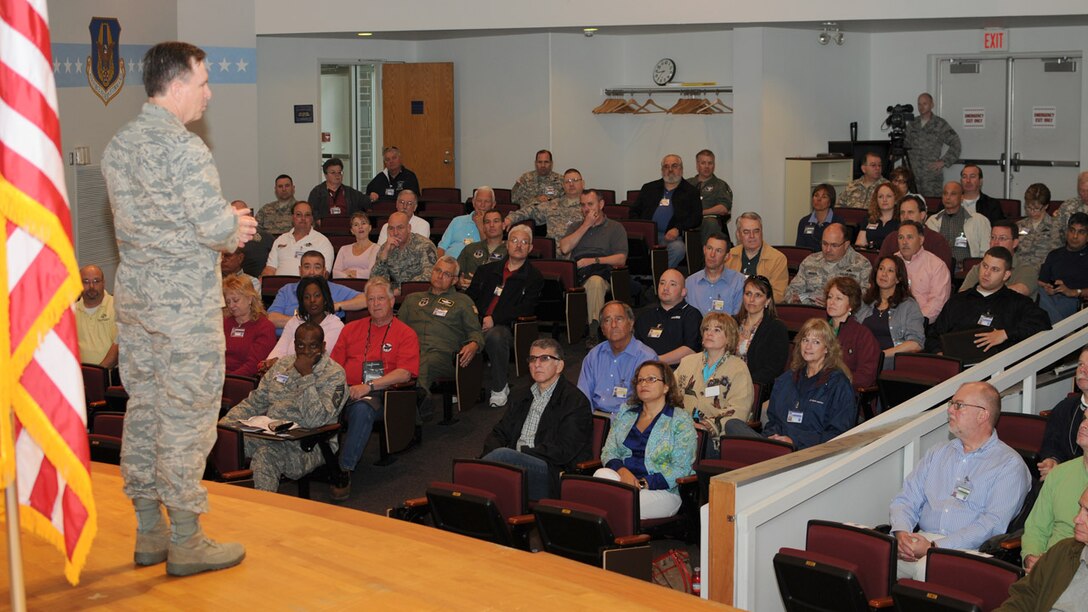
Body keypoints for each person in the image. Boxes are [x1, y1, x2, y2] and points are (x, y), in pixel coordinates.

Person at [101, 41, 256, 575]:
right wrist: (238, 223)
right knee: (187, 417)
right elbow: (214, 227)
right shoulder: (185, 149)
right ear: (177, 84)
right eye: (204, 81)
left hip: (139, 301)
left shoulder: (119, 145)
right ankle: (187, 540)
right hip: (184, 308)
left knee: (143, 411)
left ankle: (149, 532)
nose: (209, 92)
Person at [888, 381, 1031, 580]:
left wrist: (935, 548)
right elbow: (906, 499)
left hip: (971, 549)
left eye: (959, 405)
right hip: (922, 539)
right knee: (876, 556)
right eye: (951, 404)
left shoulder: (1008, 464)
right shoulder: (937, 452)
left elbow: (993, 524)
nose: (950, 411)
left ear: (983, 415)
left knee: (927, 568)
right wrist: (902, 535)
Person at [220, 322, 347, 492]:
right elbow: (255, 402)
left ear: (323, 347)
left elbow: (315, 420)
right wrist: (224, 426)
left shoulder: (334, 374)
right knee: (219, 441)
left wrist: (306, 376)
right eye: (301, 345)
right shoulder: (281, 366)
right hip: (270, 435)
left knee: (266, 457)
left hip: (309, 444)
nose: (306, 352)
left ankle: (262, 512)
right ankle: (226, 502)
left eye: (313, 346)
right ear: (294, 345)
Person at [328, 277, 419, 500]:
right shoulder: (350, 329)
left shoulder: (405, 333)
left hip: (383, 394)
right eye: (371, 299)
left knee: (362, 409)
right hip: (347, 389)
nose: (376, 304)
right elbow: (333, 366)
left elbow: (405, 373)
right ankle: (313, 461)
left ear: (391, 300)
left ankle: (344, 470)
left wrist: (368, 386)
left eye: (381, 299)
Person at [482, 338, 593, 501]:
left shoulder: (575, 401)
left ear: (559, 366)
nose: (537, 364)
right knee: (489, 464)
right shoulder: (521, 395)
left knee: (499, 460)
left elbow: (563, 450)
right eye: (533, 359)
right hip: (514, 462)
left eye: (545, 358)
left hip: (550, 470)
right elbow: (500, 431)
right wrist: (492, 452)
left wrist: (519, 454)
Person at [724, 318, 855, 451]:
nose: (808, 347)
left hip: (809, 452)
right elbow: (774, 421)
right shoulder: (786, 379)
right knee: (733, 425)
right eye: (805, 340)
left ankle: (762, 452)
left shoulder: (838, 384)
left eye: (816, 342)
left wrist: (794, 441)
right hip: (778, 446)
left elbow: (837, 434)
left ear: (827, 348)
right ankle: (764, 450)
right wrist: (772, 436)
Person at [594, 360, 698, 520]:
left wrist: (641, 484)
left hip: (661, 491)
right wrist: (623, 472)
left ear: (666, 386)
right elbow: (608, 452)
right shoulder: (626, 413)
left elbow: (681, 468)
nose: (644, 383)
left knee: (619, 502)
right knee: (601, 473)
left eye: (651, 379)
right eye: (640, 380)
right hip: (623, 481)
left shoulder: (680, 419)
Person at [464, 225, 543, 407]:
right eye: (514, 241)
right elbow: (469, 297)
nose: (519, 245)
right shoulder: (487, 270)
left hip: (507, 327)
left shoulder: (534, 277)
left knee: (496, 336)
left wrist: (495, 318)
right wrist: (478, 317)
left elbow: (526, 308)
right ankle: (461, 386)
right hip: (477, 321)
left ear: (530, 248)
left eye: (524, 242)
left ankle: (499, 387)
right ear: (507, 245)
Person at [924, 247, 1052, 354]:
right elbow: (934, 335)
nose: (986, 273)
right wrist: (940, 355)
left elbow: (1042, 322)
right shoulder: (958, 300)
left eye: (995, 269)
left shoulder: (1017, 302)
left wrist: (1006, 334)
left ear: (1006, 275)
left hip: (997, 370)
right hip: (956, 366)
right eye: (985, 266)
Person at [397, 256, 484, 399]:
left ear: (455, 280)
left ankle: (417, 406)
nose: (440, 276)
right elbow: (397, 329)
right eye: (437, 270)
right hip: (411, 352)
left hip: (443, 356)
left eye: (447, 274)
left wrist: (474, 344)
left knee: (424, 363)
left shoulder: (463, 301)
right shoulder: (412, 299)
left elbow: (475, 331)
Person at [996, 483, 1088, 611]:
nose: (1077, 519)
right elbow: (1025, 596)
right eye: (1080, 508)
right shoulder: (1065, 550)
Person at [674, 313, 754, 458]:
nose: (709, 333)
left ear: (729, 337)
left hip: (716, 440)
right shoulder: (687, 362)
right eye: (706, 329)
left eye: (717, 330)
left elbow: (739, 410)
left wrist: (706, 426)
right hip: (681, 430)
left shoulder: (738, 368)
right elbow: (670, 395)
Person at [558, 189, 628, 337]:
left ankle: (593, 331)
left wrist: (594, 260)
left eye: (590, 204)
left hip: (604, 276)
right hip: (578, 276)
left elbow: (621, 258)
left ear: (601, 204)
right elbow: (564, 248)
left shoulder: (615, 228)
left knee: (595, 282)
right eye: (583, 205)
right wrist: (586, 225)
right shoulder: (576, 226)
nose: (586, 209)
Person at [1021, 420, 1088, 572]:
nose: (1083, 424)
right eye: (1084, 418)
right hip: (1044, 567)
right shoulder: (1059, 473)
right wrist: (1030, 557)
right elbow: (1036, 528)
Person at [578, 301, 657, 415]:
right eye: (607, 320)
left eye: (619, 319)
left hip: (628, 422)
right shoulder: (593, 356)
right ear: (602, 329)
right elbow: (583, 397)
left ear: (631, 323)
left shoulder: (646, 358)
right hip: (596, 419)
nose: (613, 325)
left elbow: (649, 405)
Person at [266, 251, 368, 330]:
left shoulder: (335, 289)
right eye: (307, 267)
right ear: (300, 270)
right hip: (286, 339)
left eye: (317, 267)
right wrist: (304, 322)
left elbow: (365, 299)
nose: (312, 272)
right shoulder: (287, 290)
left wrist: (336, 306)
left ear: (324, 271)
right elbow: (271, 318)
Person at [262, 276, 344, 371]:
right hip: (284, 374)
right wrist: (271, 362)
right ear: (302, 302)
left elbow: (315, 359)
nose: (312, 300)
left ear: (325, 299)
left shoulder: (336, 325)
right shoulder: (294, 321)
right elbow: (278, 351)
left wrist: (280, 364)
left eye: (317, 295)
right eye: (307, 297)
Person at [633, 154, 702, 267]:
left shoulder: (690, 192)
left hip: (670, 237)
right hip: (646, 235)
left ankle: (659, 277)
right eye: (666, 166)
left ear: (681, 169)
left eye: (674, 166)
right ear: (662, 170)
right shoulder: (649, 188)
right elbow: (634, 212)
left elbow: (696, 218)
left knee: (678, 249)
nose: (670, 170)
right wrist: (642, 228)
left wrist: (678, 229)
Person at [855, 256, 925, 365]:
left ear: (898, 278)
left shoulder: (909, 306)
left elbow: (916, 344)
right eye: (881, 269)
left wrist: (881, 355)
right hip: (861, 359)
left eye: (890, 271)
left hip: (889, 362)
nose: (883, 274)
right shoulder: (865, 301)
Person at [785, 223, 872, 305]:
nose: (828, 250)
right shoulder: (811, 261)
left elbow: (865, 299)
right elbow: (790, 292)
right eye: (825, 244)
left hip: (845, 317)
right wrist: (796, 299)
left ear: (846, 244)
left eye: (834, 245)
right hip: (811, 313)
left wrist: (833, 303)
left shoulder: (862, 265)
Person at [735, 275, 790, 403]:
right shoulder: (733, 323)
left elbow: (773, 369)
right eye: (748, 293)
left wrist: (744, 383)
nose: (751, 299)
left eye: (758, 295)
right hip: (726, 382)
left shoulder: (776, 327)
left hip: (755, 389)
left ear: (767, 301)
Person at [1037, 347, 1088, 480]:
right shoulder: (1065, 407)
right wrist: (1053, 460)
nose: (1083, 370)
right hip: (1063, 479)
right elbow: (1051, 444)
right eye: (1081, 364)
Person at [635, 268, 703, 365]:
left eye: (672, 284)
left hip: (677, 371)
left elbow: (690, 350)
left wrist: (656, 361)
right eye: (662, 283)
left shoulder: (691, 315)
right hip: (645, 371)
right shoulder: (645, 315)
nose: (665, 288)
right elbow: (635, 346)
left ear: (683, 292)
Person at [824, 276, 880, 389]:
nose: (832, 302)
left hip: (843, 393)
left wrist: (836, 383)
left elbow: (866, 376)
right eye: (830, 297)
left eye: (838, 298)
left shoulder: (862, 335)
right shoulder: (818, 329)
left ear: (851, 305)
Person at [959, 220, 1039, 298]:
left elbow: (1020, 291)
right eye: (993, 237)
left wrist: (982, 293)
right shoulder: (979, 268)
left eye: (1002, 238)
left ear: (1015, 243)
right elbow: (963, 294)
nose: (995, 242)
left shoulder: (1026, 269)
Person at [904, 92, 962, 197]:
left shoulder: (940, 124)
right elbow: (904, 145)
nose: (921, 107)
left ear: (932, 105)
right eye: (919, 104)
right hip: (913, 176)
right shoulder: (912, 124)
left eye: (925, 103)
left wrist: (944, 161)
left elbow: (956, 143)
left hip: (931, 178)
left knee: (933, 207)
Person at [503, 168, 585, 241]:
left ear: (583, 183)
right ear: (563, 186)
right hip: (552, 254)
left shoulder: (589, 206)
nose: (571, 184)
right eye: (567, 181)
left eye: (575, 180)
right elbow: (530, 211)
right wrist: (510, 218)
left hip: (577, 254)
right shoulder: (553, 204)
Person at [879, 194, 954, 272]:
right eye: (902, 213)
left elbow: (942, 273)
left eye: (910, 212)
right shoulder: (892, 238)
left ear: (922, 215)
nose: (905, 217)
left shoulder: (937, 241)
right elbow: (879, 268)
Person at [926, 181, 990, 272]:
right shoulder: (932, 221)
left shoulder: (979, 220)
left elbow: (986, 251)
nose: (948, 197)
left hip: (968, 271)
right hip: (938, 269)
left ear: (962, 197)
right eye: (945, 193)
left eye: (953, 194)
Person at [894, 220, 951, 322]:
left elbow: (937, 304)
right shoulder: (891, 262)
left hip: (921, 323)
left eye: (909, 237)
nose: (904, 242)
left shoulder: (937, 266)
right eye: (900, 237)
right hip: (890, 319)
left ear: (921, 240)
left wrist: (914, 321)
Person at [261, 201, 335, 278]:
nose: (303, 218)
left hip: (306, 287)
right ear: (292, 217)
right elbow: (270, 269)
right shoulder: (281, 239)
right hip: (279, 287)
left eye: (307, 215)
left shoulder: (322, 241)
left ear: (312, 218)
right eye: (299, 215)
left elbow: (324, 274)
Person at [726, 212, 789, 302]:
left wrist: (751, 301)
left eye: (756, 231)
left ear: (761, 233)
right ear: (738, 235)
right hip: (732, 308)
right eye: (746, 232)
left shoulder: (778, 259)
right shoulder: (729, 256)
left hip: (762, 311)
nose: (752, 236)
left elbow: (778, 296)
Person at [1037, 212, 1088, 324]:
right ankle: (1064, 333)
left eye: (1081, 232)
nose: (1075, 236)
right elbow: (1041, 282)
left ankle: (1060, 332)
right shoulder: (1054, 255)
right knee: (1037, 292)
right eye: (1072, 230)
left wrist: (1073, 292)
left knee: (1042, 311)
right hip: (1050, 298)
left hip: (1075, 301)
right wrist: (1048, 288)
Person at [242, 174, 297, 276]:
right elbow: (255, 230)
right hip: (266, 251)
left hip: (291, 249)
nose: (284, 189)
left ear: (293, 188)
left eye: (287, 186)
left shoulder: (300, 209)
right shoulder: (266, 209)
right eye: (280, 186)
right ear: (275, 189)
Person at [370, 211, 438, 292]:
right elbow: (374, 280)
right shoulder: (386, 247)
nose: (395, 233)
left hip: (418, 294)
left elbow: (430, 275)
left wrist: (401, 290)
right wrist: (384, 254)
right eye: (391, 228)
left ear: (409, 228)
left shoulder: (425, 245)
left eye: (400, 228)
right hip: (393, 297)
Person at [222, 276, 276, 378]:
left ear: (250, 299)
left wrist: (227, 380)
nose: (231, 306)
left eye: (235, 300)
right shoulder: (224, 323)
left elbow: (253, 366)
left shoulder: (264, 327)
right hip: (217, 379)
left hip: (242, 381)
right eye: (228, 302)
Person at [685, 233, 746, 316]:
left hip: (727, 328)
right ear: (704, 250)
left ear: (726, 256)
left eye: (718, 251)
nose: (712, 254)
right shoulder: (690, 283)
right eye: (709, 248)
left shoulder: (739, 282)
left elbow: (739, 319)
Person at [74, 264, 119, 369]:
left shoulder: (117, 307)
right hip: (80, 377)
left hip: (110, 376)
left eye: (96, 281)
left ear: (103, 283)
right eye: (86, 281)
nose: (91, 287)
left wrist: (98, 373)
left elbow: (119, 346)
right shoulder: (71, 312)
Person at [688, 149, 734, 245]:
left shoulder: (720, 185)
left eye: (710, 163)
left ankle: (709, 257)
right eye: (703, 163)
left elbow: (723, 208)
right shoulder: (687, 184)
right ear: (697, 165)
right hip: (688, 221)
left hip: (709, 221)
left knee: (710, 223)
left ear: (714, 165)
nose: (707, 166)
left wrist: (702, 213)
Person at [437, 185, 496, 259]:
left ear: (493, 205)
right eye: (479, 201)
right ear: (473, 202)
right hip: (449, 264)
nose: (482, 205)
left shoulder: (494, 225)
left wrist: (480, 226)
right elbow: (441, 248)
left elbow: (490, 250)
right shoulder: (457, 221)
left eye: (487, 201)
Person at [1017, 183, 1062, 274]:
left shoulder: (1056, 227)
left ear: (1046, 206)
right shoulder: (1020, 226)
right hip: (1019, 272)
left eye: (1036, 208)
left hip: (1043, 274)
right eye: (1028, 207)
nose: (1032, 212)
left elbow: (1056, 257)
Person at [457, 209, 507, 288]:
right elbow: (455, 273)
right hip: (468, 295)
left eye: (496, 221)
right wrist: (458, 282)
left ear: (503, 225)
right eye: (487, 222)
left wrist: (479, 282)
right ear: (483, 227)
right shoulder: (470, 248)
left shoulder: (510, 251)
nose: (491, 225)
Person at [332, 212, 378, 280]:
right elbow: (335, 273)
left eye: (363, 223)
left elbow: (372, 273)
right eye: (356, 225)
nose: (360, 227)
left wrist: (352, 273)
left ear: (370, 227)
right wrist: (348, 277)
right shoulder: (344, 249)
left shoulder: (376, 248)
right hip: (345, 285)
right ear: (352, 231)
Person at [854, 182, 899, 250]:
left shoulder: (901, 220)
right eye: (880, 197)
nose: (884, 200)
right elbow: (860, 245)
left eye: (888, 196)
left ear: (895, 199)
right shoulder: (869, 218)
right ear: (876, 200)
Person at [795, 183, 840, 251]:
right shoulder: (804, 222)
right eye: (816, 195)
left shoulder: (837, 222)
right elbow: (800, 249)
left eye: (824, 197)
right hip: (809, 260)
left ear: (830, 201)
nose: (819, 199)